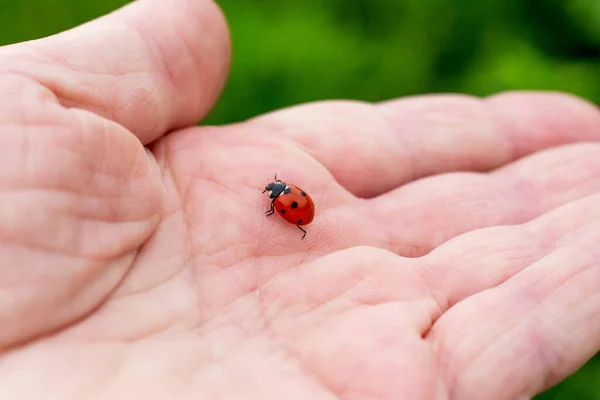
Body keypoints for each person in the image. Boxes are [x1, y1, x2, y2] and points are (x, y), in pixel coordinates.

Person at [0, 0, 598, 398]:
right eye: (279, 196)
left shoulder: (290, 202)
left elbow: (289, 210)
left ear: (284, 198)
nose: (277, 198)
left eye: (277, 195)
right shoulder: (291, 202)